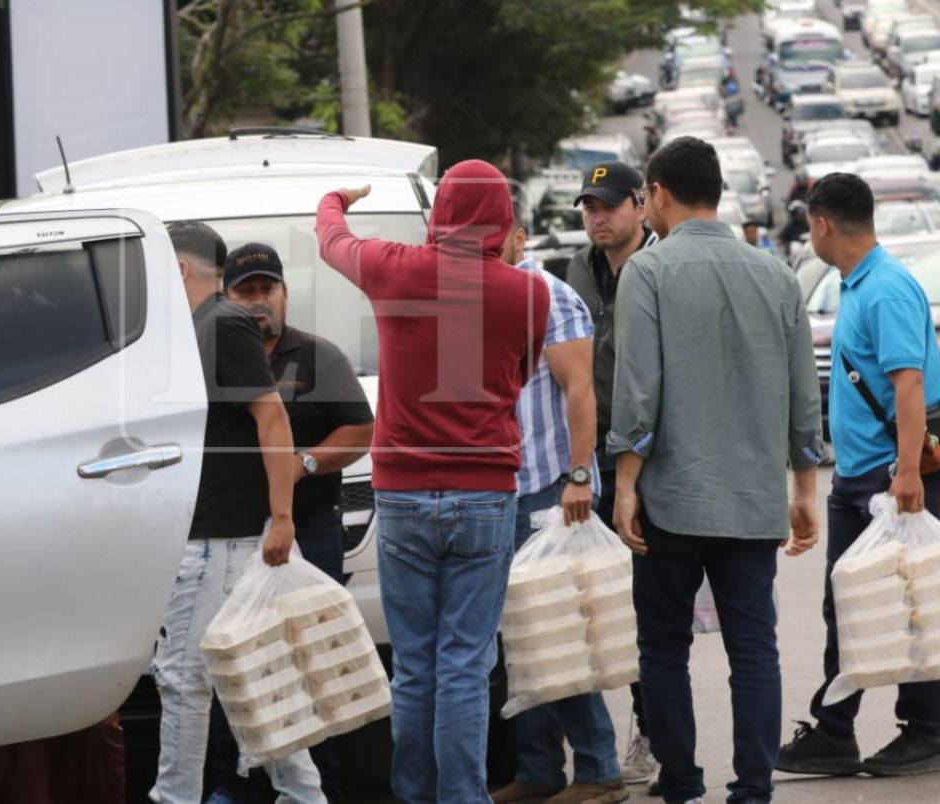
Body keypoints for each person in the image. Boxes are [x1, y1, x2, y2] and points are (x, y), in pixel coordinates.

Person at [315, 161, 550, 804]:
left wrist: (338, 197)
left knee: (414, 665)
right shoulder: (528, 293)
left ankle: (414, 794)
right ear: (502, 219)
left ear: (439, 213)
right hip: (485, 493)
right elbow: (520, 374)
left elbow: (331, 238)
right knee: (467, 664)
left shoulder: (395, 270)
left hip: (402, 495)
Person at [608, 136, 823, 804]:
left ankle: (680, 783)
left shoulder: (648, 271)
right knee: (754, 647)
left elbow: (638, 391)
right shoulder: (777, 275)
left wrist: (623, 483)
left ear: (661, 195)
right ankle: (753, 789)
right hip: (753, 496)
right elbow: (801, 396)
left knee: (664, 647)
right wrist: (805, 488)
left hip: (671, 495)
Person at [150, 221, 323, 804]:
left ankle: (176, 798)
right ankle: (304, 796)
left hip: (224, 540)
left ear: (178, 269)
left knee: (185, 681)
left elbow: (272, 418)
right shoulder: (199, 326)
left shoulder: (222, 323)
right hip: (218, 538)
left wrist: (282, 518)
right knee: (254, 676)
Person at [777, 172, 940, 778]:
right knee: (849, 604)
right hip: (861, 475)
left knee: (906, 602)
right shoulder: (859, 283)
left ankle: (925, 729)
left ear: (821, 223)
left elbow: (909, 383)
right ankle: (835, 730)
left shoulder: (887, 288)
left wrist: (906, 475)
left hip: (889, 477)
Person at [209, 242, 376, 803]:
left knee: (312, 668)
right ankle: (242, 790)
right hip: (232, 541)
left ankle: (319, 790)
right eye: (245, 292)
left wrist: (303, 462)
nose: (258, 302)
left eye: (266, 289)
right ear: (225, 298)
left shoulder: (316, 356)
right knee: (244, 669)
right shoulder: (209, 355)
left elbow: (361, 432)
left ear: (284, 293)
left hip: (310, 533)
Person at [492, 209, 628, 804]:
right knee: (517, 639)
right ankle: (540, 770)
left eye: (493, 235)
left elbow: (580, 387)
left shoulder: (547, 293)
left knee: (556, 632)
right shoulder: (474, 297)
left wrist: (578, 477)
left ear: (519, 238)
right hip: (498, 490)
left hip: (550, 489)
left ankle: (599, 769)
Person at [563, 160, 659, 787]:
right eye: (589, 207)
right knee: (591, 610)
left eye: (609, 205)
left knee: (649, 606)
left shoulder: (662, 268)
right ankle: (597, 752)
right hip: (586, 459)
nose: (598, 217)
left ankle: (652, 733)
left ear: (640, 204)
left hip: (647, 459)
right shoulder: (576, 268)